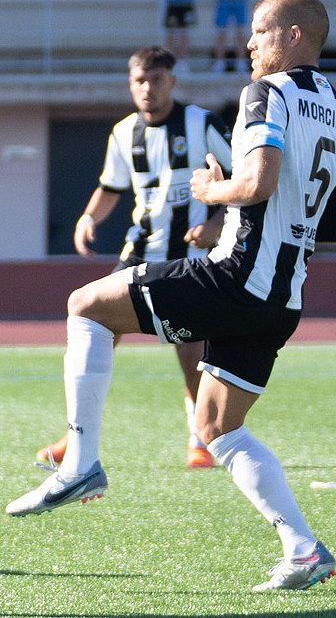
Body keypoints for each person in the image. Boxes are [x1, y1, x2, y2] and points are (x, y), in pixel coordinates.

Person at [5, 0, 336, 593]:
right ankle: (302, 549)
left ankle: (81, 465)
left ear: (294, 36)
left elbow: (258, 182)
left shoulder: (266, 94)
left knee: (85, 306)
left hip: (238, 274)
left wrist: (208, 189)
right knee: (219, 427)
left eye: (260, 32)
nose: (248, 44)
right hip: (283, 299)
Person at [37, 45, 232, 472]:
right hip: (139, 252)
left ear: (172, 82)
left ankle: (200, 439)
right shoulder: (124, 133)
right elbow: (111, 186)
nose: (148, 89)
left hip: (191, 257)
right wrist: (89, 217)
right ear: (131, 84)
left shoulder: (202, 124)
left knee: (191, 349)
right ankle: (75, 437)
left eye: (157, 80)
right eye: (140, 81)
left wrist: (216, 225)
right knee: (93, 328)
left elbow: (244, 183)